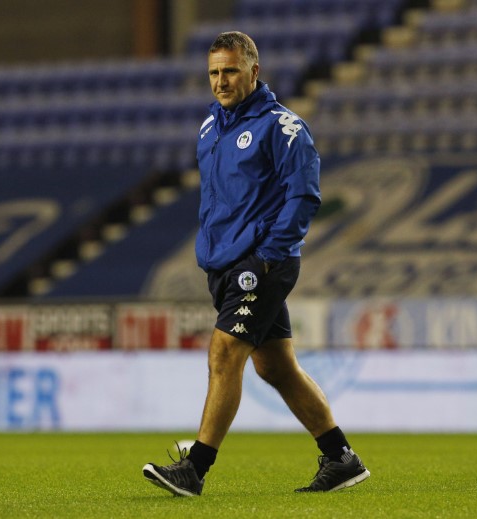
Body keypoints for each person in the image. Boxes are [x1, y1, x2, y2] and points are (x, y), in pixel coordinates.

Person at [142, 31, 369, 496]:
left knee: (225, 352)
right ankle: (341, 457)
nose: (221, 81)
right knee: (276, 367)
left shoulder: (283, 127)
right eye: (214, 73)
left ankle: (195, 468)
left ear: (254, 72)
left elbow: (304, 196)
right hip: (224, 265)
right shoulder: (210, 128)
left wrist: (268, 255)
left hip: (261, 263)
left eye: (230, 71)